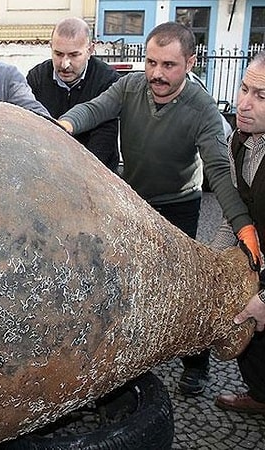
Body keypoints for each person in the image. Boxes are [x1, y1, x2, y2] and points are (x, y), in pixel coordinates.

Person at [58, 22, 258, 396]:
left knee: (190, 287)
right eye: (151, 62)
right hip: (134, 201)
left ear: (190, 63)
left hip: (179, 204)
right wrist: (64, 125)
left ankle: (197, 365)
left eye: (168, 65)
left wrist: (243, 226)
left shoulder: (203, 109)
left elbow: (219, 172)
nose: (157, 74)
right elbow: (94, 109)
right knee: (131, 281)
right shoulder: (131, 86)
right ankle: (132, 356)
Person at [212, 51, 265, 414]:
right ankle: (261, 396)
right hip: (258, 252)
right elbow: (233, 212)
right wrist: (210, 264)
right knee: (252, 337)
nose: (243, 103)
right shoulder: (238, 141)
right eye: (244, 88)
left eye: (261, 96)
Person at [26, 17, 120, 172]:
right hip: (46, 170)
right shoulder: (36, 77)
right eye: (58, 54)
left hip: (95, 172)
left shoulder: (107, 80)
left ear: (90, 50)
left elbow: (104, 141)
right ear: (50, 47)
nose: (65, 64)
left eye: (74, 55)